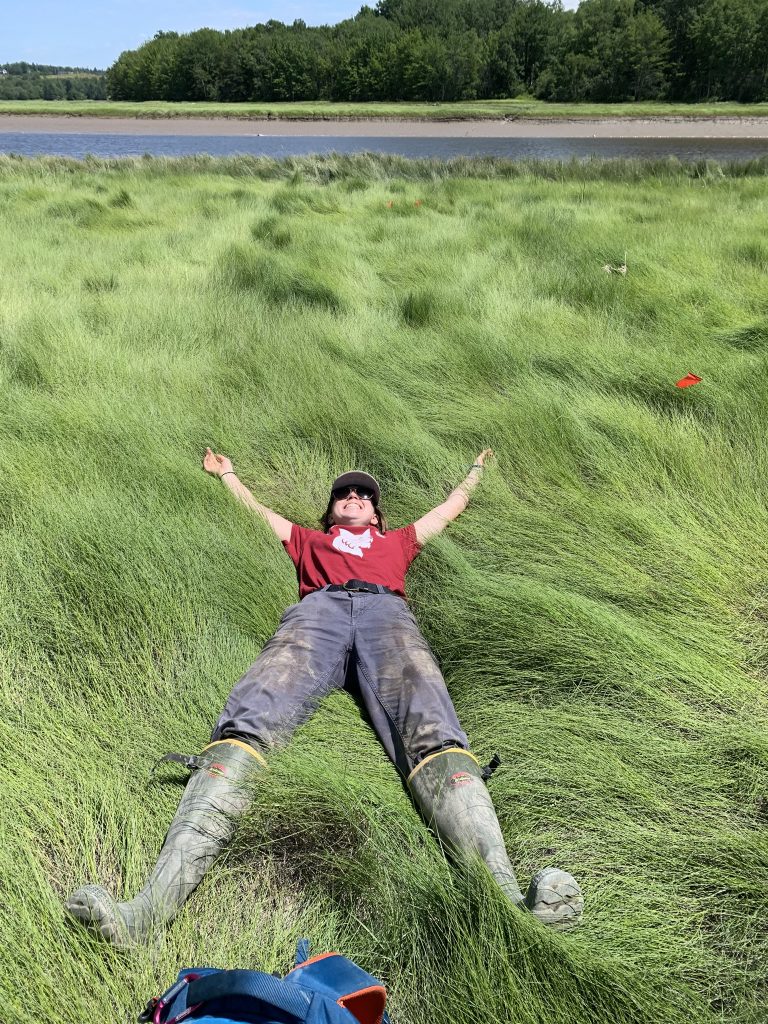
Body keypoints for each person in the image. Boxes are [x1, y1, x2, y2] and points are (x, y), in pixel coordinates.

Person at [65, 450, 583, 947]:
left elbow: (447, 510)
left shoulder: (397, 543)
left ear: (377, 514)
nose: (354, 496)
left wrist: (474, 472)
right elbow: (260, 513)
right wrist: (227, 475)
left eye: (364, 494)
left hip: (387, 617)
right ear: (332, 510)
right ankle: (149, 911)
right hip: (319, 613)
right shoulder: (312, 542)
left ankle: (510, 899)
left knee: (432, 726)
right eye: (344, 493)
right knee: (252, 715)